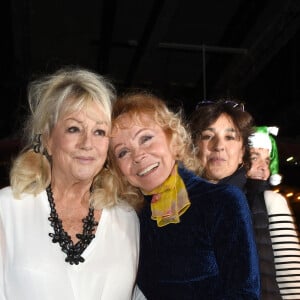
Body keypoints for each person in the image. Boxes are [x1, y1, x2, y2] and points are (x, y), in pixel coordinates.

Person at [0, 67, 140, 300]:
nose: (87, 143)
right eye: (74, 129)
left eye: (99, 131)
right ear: (47, 139)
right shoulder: (7, 208)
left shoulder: (127, 219)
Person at [108, 91, 260, 299]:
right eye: (122, 152)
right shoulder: (134, 218)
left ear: (173, 139)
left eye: (146, 138)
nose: (138, 155)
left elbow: (244, 294)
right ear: (118, 169)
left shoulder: (221, 201)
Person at [245, 126, 300, 300]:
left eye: (267, 161)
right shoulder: (229, 201)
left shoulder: (272, 200)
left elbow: (292, 278)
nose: (264, 169)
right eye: (255, 158)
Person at [189, 99, 254, 190]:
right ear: (194, 146)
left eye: (229, 137)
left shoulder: (264, 202)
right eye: (208, 136)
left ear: (242, 153)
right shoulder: (174, 200)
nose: (219, 146)